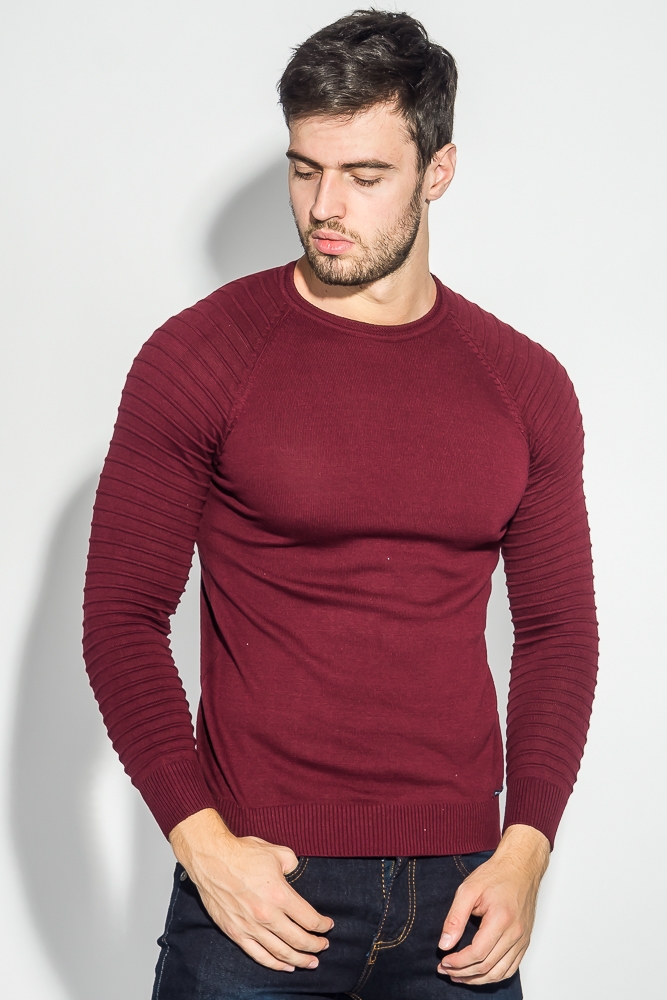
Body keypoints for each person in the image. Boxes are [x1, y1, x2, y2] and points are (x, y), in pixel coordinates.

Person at [82, 9, 598, 999]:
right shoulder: (198, 358)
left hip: (461, 898)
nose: (325, 205)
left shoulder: (524, 384)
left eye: (365, 175)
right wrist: (202, 845)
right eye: (304, 168)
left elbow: (557, 630)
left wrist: (527, 847)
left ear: (437, 171)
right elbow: (122, 616)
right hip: (260, 889)